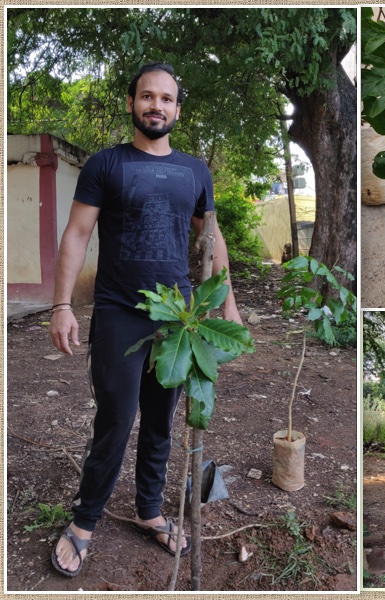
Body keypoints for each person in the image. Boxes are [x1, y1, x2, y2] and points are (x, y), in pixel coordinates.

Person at [48, 63, 242, 577]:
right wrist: (62, 304)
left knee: (160, 421)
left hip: (177, 319)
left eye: (167, 99)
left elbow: (211, 238)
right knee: (116, 419)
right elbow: (76, 235)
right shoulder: (106, 165)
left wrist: (227, 301)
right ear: (132, 102)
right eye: (147, 96)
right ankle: (85, 521)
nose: (156, 105)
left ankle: (150, 509)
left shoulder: (196, 171)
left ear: (178, 108)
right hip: (118, 313)